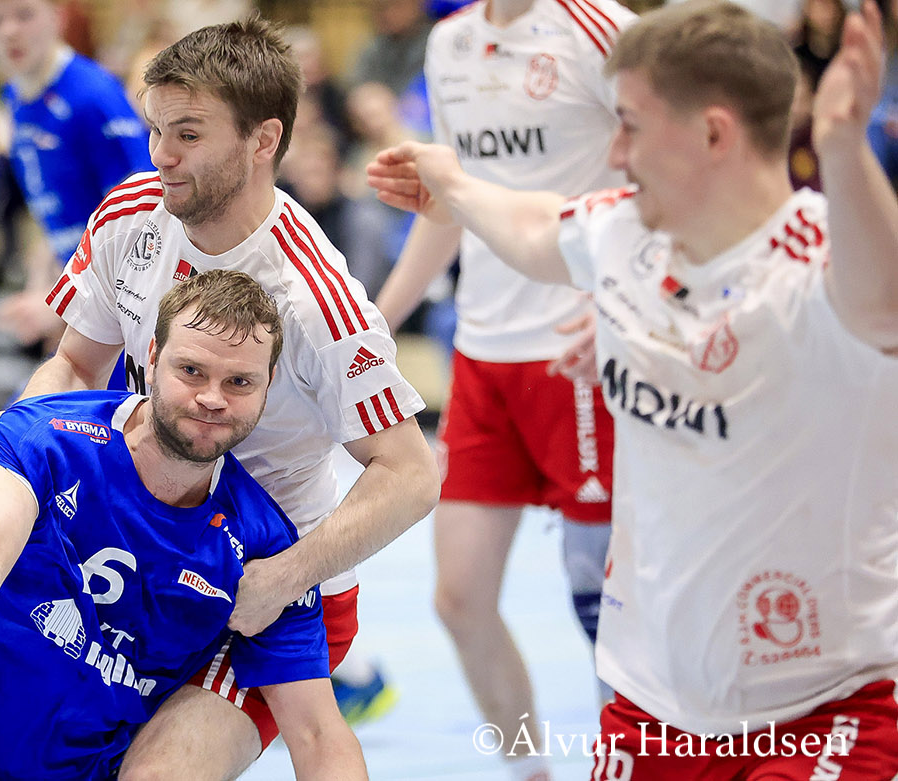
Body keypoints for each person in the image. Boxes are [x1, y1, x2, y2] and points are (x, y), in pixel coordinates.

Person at [367, 1, 898, 777]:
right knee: (463, 593)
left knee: (582, 578)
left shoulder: (823, 263)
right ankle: (529, 764)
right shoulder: (619, 235)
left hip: (819, 710)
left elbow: (882, 301)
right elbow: (530, 222)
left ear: (713, 134)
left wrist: (844, 148)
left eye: (631, 127)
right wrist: (451, 181)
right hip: (650, 712)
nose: (613, 151)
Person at [0, 16, 440, 778]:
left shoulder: (313, 298)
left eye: (187, 135)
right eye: (156, 129)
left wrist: (283, 577)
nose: (160, 155)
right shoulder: (130, 213)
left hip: (264, 588)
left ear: (263, 140)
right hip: (140, 549)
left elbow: (411, 474)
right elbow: (74, 365)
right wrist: (9, 447)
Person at [0, 270, 367, 780]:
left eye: (239, 382)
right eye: (191, 371)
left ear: (266, 387)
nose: (213, 398)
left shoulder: (262, 547)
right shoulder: (48, 435)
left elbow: (317, 734)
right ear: (151, 358)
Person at [370, 1, 635, 777]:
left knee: (608, 616)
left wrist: (627, 304)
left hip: (580, 356)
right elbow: (452, 202)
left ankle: (636, 764)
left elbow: (666, 177)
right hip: (484, 355)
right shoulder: (450, 43)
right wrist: (376, 321)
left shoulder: (604, 29)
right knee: (459, 598)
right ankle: (531, 769)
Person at [0, 0, 152, 347]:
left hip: (125, 313)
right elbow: (58, 214)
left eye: (24, 15)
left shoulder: (93, 96)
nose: (9, 31)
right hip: (80, 301)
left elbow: (143, 223)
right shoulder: (15, 97)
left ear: (57, 18)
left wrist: (66, 305)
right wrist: (43, 287)